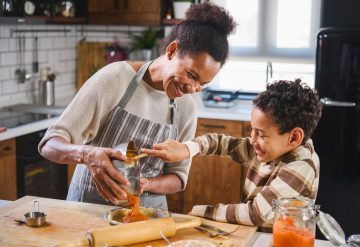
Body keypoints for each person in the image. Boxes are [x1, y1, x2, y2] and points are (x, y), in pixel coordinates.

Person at [38, 2, 236, 210]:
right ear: (172, 50)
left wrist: (147, 184)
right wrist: (87, 154)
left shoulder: (186, 109)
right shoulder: (116, 78)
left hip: (148, 216)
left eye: (202, 84)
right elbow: (50, 144)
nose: (192, 88)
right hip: (88, 210)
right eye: (191, 75)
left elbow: (178, 177)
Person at [142, 79, 323, 225]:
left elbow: (256, 213)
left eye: (261, 134)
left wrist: (203, 212)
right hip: (254, 236)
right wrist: (187, 149)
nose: (252, 140)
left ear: (294, 138)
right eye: (252, 130)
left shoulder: (301, 165)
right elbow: (219, 142)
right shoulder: (267, 149)